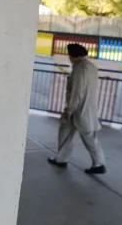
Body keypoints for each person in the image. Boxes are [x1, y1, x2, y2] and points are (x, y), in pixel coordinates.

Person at [48, 43, 107, 174]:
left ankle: (98, 163)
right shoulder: (91, 66)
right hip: (87, 109)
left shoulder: (80, 68)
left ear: (73, 56)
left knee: (77, 135)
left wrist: (69, 110)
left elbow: (77, 92)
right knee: (79, 135)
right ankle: (62, 159)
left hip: (78, 110)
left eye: (69, 55)